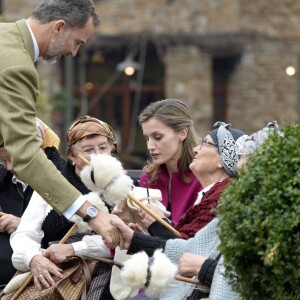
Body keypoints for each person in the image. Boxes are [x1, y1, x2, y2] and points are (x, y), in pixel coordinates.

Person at [0, 0, 120, 247]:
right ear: (58, 27)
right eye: (77, 42)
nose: (74, 53)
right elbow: (25, 155)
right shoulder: (17, 67)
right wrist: (91, 213)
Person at [109, 122, 245, 299]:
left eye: (205, 144)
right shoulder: (210, 196)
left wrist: (156, 226)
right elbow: (187, 247)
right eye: (147, 138)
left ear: (222, 160)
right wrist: (139, 235)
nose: (196, 149)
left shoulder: (224, 198)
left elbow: (192, 254)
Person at [10, 115, 118, 299]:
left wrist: (74, 249)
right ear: (72, 156)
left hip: (108, 279)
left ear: (112, 150)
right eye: (88, 150)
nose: (97, 156)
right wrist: (34, 259)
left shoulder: (125, 189)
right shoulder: (51, 186)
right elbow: (24, 235)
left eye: (103, 148)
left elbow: (125, 241)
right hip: (54, 276)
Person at [0, 119, 62, 289]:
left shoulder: (61, 179)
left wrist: (23, 225)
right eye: (3, 160)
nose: (10, 166)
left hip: (38, 282)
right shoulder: (2, 179)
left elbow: (67, 235)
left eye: (14, 158)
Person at [137, 99, 202, 227]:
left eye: (158, 137)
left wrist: (160, 225)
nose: (150, 146)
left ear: (182, 133)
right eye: (147, 138)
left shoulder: (203, 176)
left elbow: (200, 240)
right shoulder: (148, 177)